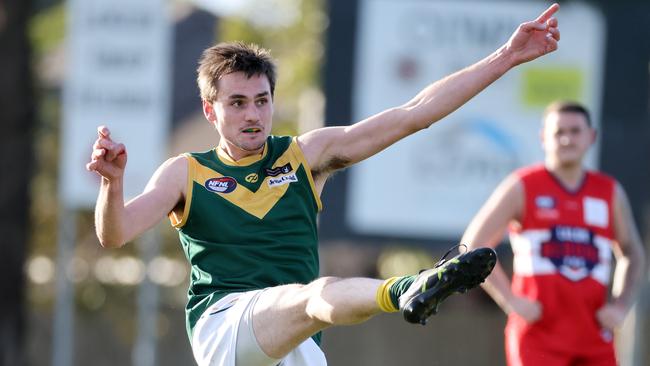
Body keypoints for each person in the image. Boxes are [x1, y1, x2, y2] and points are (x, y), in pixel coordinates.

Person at [86, 4, 560, 365]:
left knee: (312, 299)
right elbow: (116, 233)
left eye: (261, 100)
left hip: (298, 338)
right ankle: (410, 288)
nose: (252, 115)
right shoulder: (184, 171)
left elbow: (414, 114)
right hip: (226, 327)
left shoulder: (305, 155)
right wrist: (113, 183)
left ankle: (410, 288)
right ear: (211, 110)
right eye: (237, 103)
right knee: (317, 292)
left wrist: (507, 57)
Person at [462, 101, 646, 366]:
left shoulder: (609, 192)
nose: (567, 139)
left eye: (575, 131)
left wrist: (620, 306)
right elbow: (472, 246)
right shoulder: (522, 186)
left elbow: (632, 252)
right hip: (538, 336)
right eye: (559, 132)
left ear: (591, 137)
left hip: (594, 337)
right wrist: (510, 300)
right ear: (543, 138)